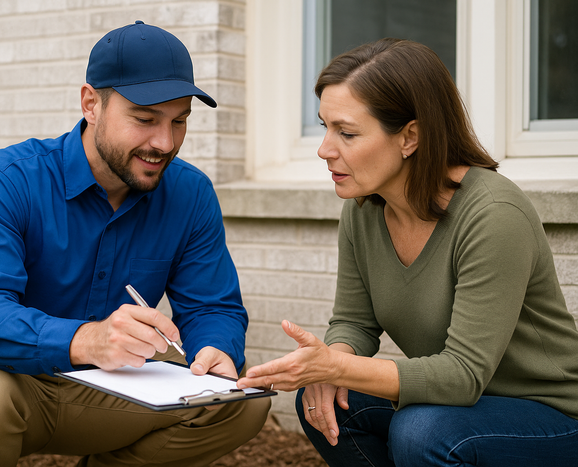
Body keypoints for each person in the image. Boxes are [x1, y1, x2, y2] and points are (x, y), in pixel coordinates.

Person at [0, 21, 270, 467]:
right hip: (4, 378)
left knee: (241, 403)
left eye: (179, 121)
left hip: (118, 385)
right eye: (144, 120)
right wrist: (87, 340)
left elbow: (212, 307)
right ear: (91, 104)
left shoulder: (191, 193)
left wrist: (215, 350)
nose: (164, 143)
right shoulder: (2, 182)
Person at [236, 38, 578, 467]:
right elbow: (354, 324)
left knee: (423, 430)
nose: (324, 148)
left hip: (552, 416)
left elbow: (462, 376)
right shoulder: (362, 210)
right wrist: (327, 366)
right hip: (455, 407)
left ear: (410, 137)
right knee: (323, 400)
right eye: (324, 126)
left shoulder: (494, 215)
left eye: (346, 132)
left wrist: (334, 367)